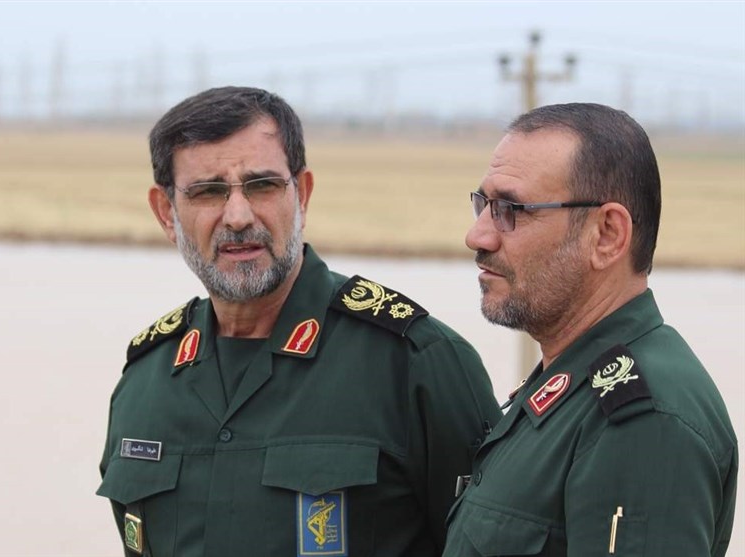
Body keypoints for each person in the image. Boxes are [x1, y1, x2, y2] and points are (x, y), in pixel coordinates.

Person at [96, 86, 502, 557]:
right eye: (208, 192)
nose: (238, 217)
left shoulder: (416, 363)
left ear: (302, 194)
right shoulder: (145, 381)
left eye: (262, 185)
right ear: (167, 212)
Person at [443, 103, 738, 556]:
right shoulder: (569, 383)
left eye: (510, 209)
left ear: (606, 235)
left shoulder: (642, 425)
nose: (477, 236)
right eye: (483, 205)